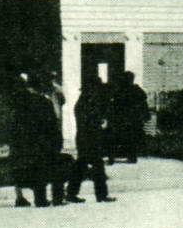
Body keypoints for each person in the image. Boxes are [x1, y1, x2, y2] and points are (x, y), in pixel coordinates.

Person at [9, 73, 64, 207]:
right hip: (44, 140)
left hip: (27, 141)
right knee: (54, 167)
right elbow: (52, 123)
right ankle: (57, 198)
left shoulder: (19, 103)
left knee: (36, 169)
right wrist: (57, 140)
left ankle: (40, 199)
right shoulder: (44, 101)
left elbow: (14, 124)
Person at [66, 74, 116, 203]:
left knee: (82, 164)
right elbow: (91, 120)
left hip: (84, 137)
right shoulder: (89, 103)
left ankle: (72, 193)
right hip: (89, 137)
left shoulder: (83, 102)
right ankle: (100, 195)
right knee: (95, 165)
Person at [107, 70, 150, 165]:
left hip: (126, 119)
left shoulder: (121, 91)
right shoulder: (133, 90)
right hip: (129, 119)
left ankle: (117, 157)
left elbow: (143, 104)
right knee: (128, 139)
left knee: (121, 138)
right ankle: (129, 156)